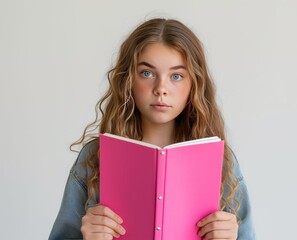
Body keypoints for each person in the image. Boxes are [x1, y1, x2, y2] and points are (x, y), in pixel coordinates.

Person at [49, 18, 255, 240]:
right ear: (128, 80)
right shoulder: (93, 158)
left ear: (194, 84)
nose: (161, 89)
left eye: (176, 76)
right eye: (147, 73)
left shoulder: (222, 162)